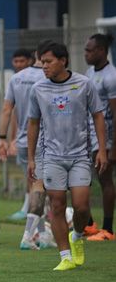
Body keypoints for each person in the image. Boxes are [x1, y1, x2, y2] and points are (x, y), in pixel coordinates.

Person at [27, 40, 107, 270]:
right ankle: (65, 257)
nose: (44, 66)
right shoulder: (38, 89)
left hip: (80, 155)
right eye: (42, 62)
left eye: (49, 62)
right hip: (51, 156)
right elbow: (33, 124)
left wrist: (101, 149)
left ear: (63, 61)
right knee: (57, 205)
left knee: (82, 207)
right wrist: (32, 158)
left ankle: (77, 235)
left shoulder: (84, 84)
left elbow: (98, 116)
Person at [0, 49, 54, 250]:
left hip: (22, 143)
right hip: (42, 142)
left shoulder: (16, 78)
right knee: (40, 189)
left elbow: (7, 110)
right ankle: (29, 235)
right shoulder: (48, 78)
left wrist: (3, 138)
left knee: (35, 188)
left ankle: (42, 234)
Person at [84, 33, 116, 241]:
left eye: (89, 50)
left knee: (105, 179)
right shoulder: (89, 71)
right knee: (87, 178)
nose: (86, 54)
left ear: (102, 51)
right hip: (91, 134)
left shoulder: (111, 76)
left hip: (107, 136)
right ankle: (90, 225)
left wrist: (112, 148)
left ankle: (107, 229)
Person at [6, 48, 37, 221]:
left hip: (38, 138)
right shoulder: (15, 81)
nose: (18, 64)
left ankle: (33, 211)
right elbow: (13, 113)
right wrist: (12, 139)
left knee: (34, 176)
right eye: (15, 61)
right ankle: (28, 208)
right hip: (23, 138)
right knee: (30, 175)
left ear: (30, 61)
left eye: (22, 61)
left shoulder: (39, 80)